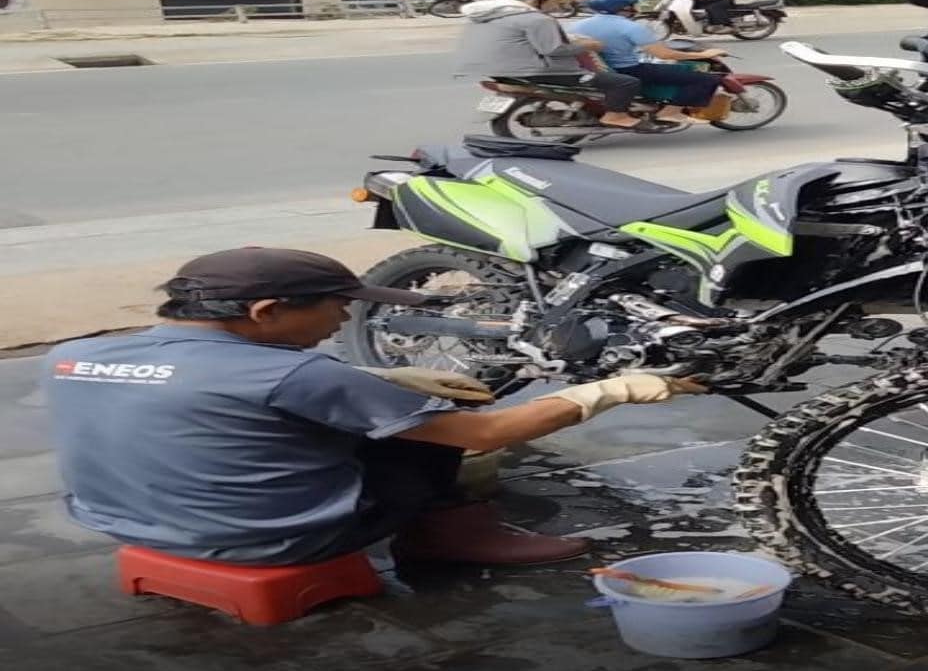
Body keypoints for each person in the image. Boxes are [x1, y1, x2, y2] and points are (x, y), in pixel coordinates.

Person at [44, 247, 702, 567]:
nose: (341, 321)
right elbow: (490, 429)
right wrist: (610, 389)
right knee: (432, 435)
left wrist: (356, 385)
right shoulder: (298, 373)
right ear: (267, 313)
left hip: (120, 521)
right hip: (269, 541)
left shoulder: (69, 355)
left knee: (389, 412)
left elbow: (204, 395)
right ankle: (451, 537)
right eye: (335, 307)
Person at [455, 0, 645, 129]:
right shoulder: (537, 19)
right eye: (556, 0)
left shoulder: (485, 18)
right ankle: (616, 116)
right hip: (536, 71)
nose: (558, 5)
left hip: (497, 71)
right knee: (625, 82)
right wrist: (589, 45)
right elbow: (553, 50)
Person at [570, 0, 729, 124]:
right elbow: (664, 54)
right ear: (624, 8)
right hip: (629, 70)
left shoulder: (577, 25)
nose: (636, 7)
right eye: (633, 4)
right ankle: (670, 112)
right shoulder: (629, 27)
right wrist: (703, 54)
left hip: (596, 68)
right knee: (705, 79)